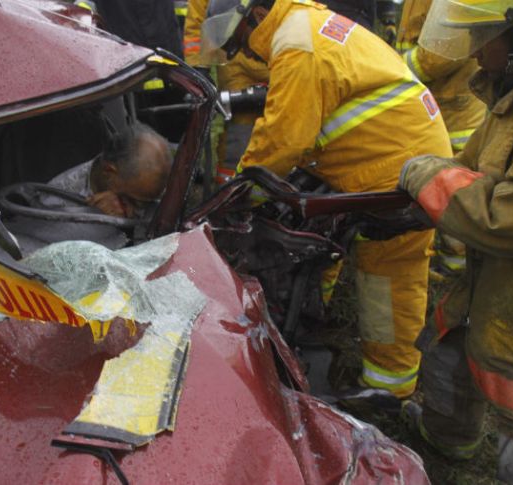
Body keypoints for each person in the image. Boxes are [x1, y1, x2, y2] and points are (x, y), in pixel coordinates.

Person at [200, 0, 453, 399]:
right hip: (377, 156)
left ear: (255, 17)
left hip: (398, 171)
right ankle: (317, 313)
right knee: (324, 232)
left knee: (385, 278)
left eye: (241, 42)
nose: (245, 53)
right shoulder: (299, 27)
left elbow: (281, 143)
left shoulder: (297, 46)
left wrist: (238, 196)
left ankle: (388, 389)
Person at [396, 1, 513, 483]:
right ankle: (448, 441)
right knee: (451, 357)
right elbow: (471, 167)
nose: (475, 55)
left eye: (484, 39)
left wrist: (425, 177)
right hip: (496, 284)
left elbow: (510, 219)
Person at [396, 0, 488, 276]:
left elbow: (440, 54)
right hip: (431, 104)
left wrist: (392, 68)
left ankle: (458, 275)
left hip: (454, 113)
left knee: (455, 191)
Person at [184, 0, 271, 185]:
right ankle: (228, 192)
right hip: (236, 60)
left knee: (286, 124)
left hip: (278, 54)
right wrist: (199, 67)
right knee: (238, 133)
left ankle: (278, 184)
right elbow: (198, 22)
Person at [45, 123, 173, 218]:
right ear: (109, 172)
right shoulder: (55, 204)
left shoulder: (151, 185)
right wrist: (98, 222)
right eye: (135, 202)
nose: (133, 212)